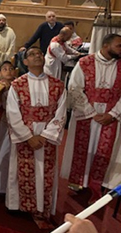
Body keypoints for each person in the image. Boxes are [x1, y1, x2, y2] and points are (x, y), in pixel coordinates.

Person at [6, 47, 66, 229]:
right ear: (25, 62)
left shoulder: (58, 85)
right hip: (25, 135)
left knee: (44, 173)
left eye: (39, 54)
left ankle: (42, 209)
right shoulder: (17, 85)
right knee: (22, 171)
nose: (37, 56)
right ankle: (19, 205)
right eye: (31, 55)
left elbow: (61, 112)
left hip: (47, 135)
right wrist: (27, 136)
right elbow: (12, 113)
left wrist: (46, 135)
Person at [61, 34, 121, 203]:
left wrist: (112, 114)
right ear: (106, 45)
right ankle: (80, 181)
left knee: (103, 151)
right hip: (87, 113)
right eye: (119, 46)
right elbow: (74, 88)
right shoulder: (85, 63)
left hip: (111, 115)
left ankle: (97, 185)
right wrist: (92, 113)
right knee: (84, 149)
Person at [0, 60, 16, 194]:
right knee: (0, 151)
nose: (8, 71)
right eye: (5, 69)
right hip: (3, 122)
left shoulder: (19, 84)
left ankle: (10, 185)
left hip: (18, 123)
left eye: (11, 68)